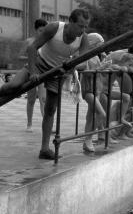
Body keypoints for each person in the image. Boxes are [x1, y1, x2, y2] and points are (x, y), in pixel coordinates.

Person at [0, 9, 90, 159]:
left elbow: (83, 63)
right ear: (71, 22)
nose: (83, 30)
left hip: (56, 72)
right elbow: (32, 47)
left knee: (50, 109)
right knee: (12, 86)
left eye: (86, 26)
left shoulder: (83, 39)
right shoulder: (55, 28)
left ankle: (44, 149)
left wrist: (71, 66)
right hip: (39, 63)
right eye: (81, 26)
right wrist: (34, 71)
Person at [18, 18, 48, 132]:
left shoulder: (46, 42)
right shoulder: (29, 41)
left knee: (43, 99)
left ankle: (46, 124)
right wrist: (31, 59)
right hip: (31, 71)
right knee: (31, 99)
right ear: (36, 30)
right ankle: (29, 124)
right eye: (40, 30)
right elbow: (20, 57)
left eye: (44, 30)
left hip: (43, 72)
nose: (42, 33)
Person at [80, 33, 107, 152]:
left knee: (90, 116)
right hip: (88, 89)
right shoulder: (85, 56)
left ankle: (87, 141)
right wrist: (101, 68)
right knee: (101, 114)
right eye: (99, 45)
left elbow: (100, 71)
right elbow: (87, 73)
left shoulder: (96, 57)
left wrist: (106, 65)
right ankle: (88, 139)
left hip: (96, 89)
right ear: (93, 44)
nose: (101, 48)